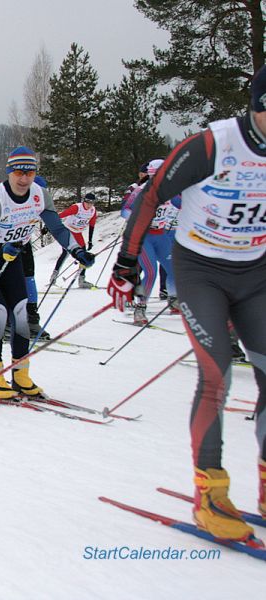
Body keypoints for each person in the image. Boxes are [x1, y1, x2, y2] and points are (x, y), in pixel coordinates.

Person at [108, 65, 266, 542]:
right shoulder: (214, 145)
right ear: (258, 107)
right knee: (217, 373)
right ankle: (210, 492)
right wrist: (127, 262)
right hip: (202, 271)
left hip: (256, 272)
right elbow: (151, 197)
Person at [0, 147, 93, 399]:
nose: (24, 178)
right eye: (18, 172)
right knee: (0, 314)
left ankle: (21, 376)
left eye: (29, 172)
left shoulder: (40, 194)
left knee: (21, 314)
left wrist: (77, 251)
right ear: (9, 172)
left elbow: (57, 228)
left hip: (12, 258)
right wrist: (0, 247)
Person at [121, 159, 181, 324]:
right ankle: (140, 309)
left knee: (175, 270)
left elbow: (183, 204)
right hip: (143, 237)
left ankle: (174, 300)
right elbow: (125, 210)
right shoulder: (141, 191)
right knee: (151, 272)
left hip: (160, 235)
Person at [50, 192, 98, 289]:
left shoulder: (92, 211)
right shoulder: (77, 208)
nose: (89, 205)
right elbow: (61, 215)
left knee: (84, 256)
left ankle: (81, 280)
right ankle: (53, 279)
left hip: (77, 233)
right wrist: (49, 225)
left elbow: (92, 225)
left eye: (91, 203)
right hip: (67, 231)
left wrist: (90, 241)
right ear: (84, 201)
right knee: (65, 253)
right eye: (88, 202)